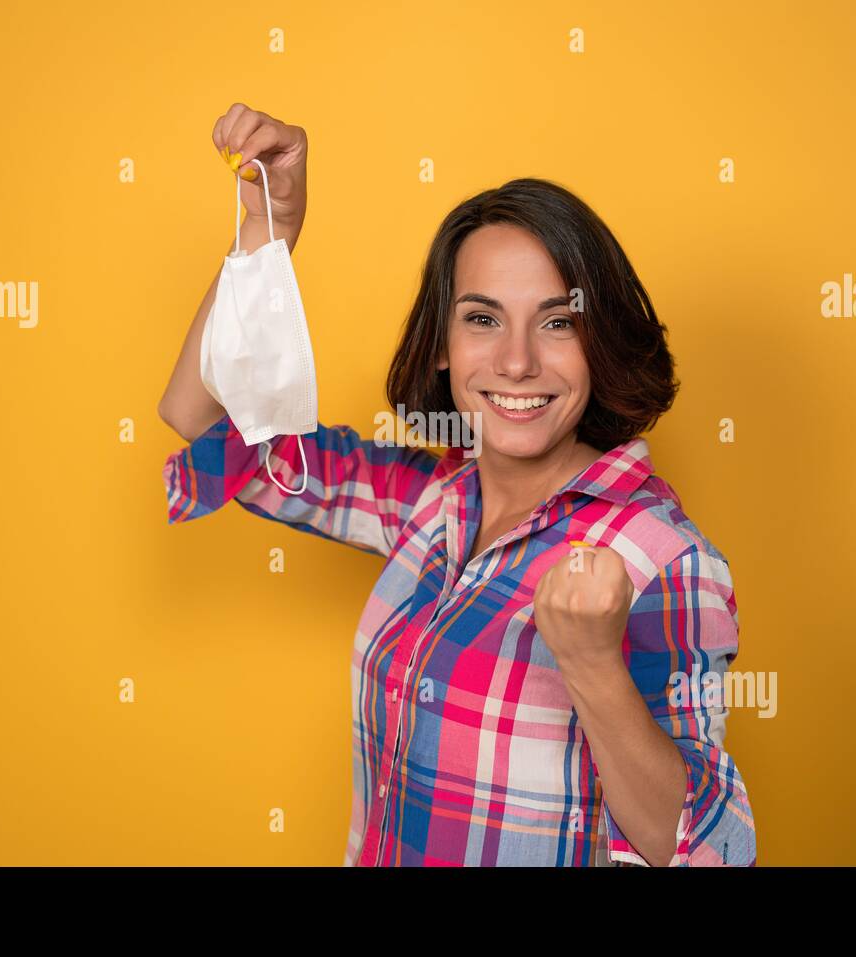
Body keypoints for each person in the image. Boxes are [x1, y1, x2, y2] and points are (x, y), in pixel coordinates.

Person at [158, 103, 756, 867]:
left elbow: (718, 854)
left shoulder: (662, 557)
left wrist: (595, 666)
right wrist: (265, 231)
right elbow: (201, 416)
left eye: (556, 323)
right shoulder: (427, 499)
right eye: (482, 319)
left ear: (599, 343)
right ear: (441, 346)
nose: (515, 363)